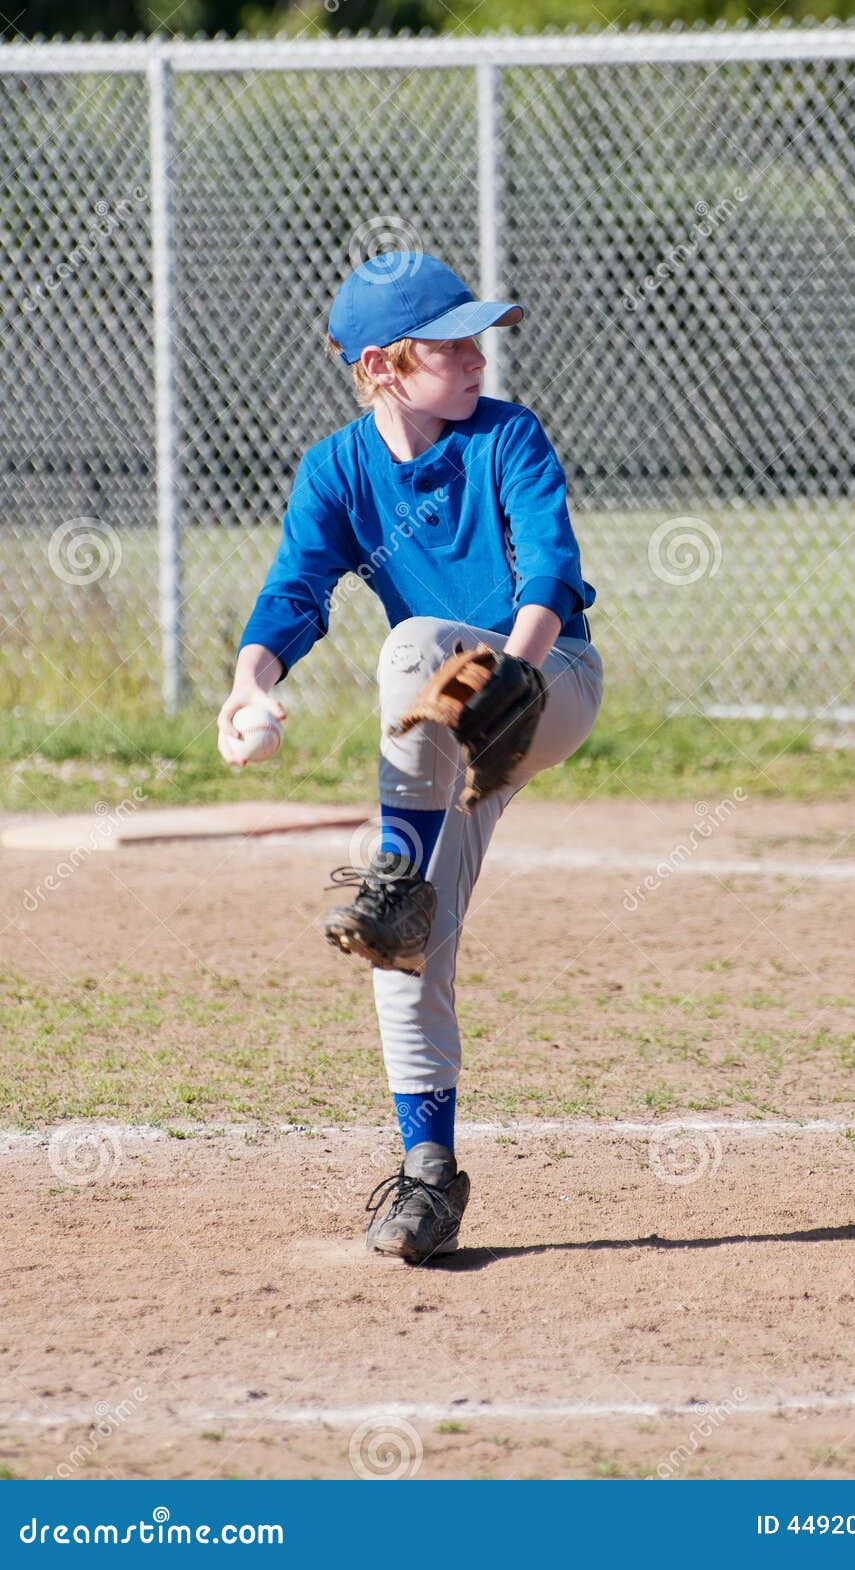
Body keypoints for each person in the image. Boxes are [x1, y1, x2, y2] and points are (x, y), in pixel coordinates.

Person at [216, 252, 603, 1265]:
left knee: (413, 644)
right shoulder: (337, 469)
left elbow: (549, 570)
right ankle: (429, 1177)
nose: (478, 357)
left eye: (479, 339)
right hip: (444, 720)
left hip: (548, 678)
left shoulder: (506, 434)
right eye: (451, 345)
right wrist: (250, 681)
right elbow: (293, 593)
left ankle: (395, 868)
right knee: (399, 938)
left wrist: (514, 679)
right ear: (380, 367)